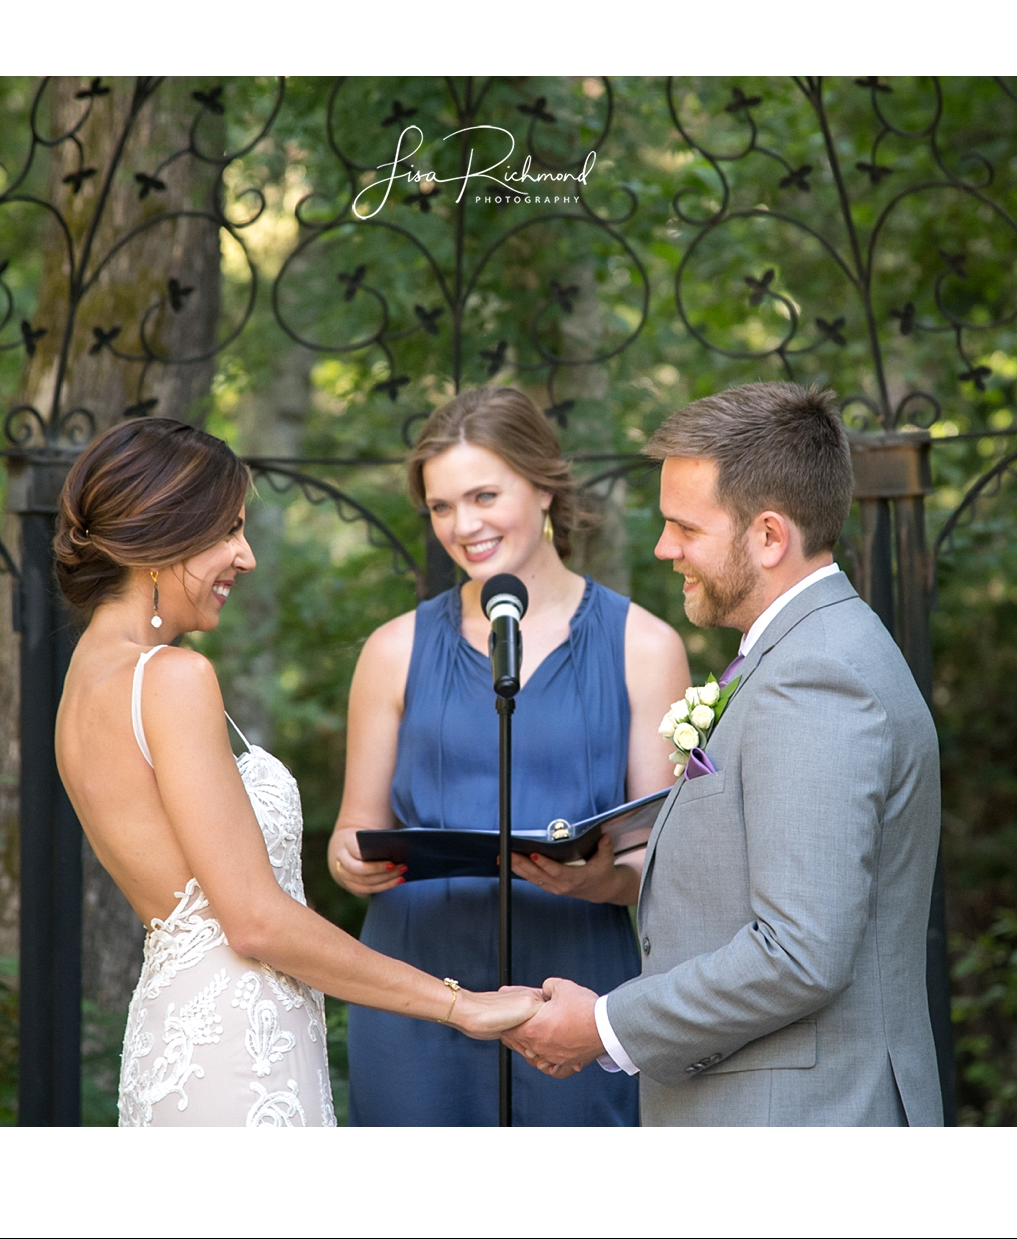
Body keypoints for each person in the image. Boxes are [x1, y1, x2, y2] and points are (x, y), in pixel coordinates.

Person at [51, 417, 541, 1127]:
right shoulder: (172, 677)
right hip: (236, 1053)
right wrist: (462, 1004)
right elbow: (255, 920)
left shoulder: (84, 681)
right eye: (226, 530)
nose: (244, 556)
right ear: (159, 537)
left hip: (187, 1033)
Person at [502, 381, 945, 1127]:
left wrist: (606, 1024)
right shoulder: (800, 651)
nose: (663, 547)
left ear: (769, 536)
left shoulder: (817, 675)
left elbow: (799, 952)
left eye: (684, 526)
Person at [327, 386, 691, 1125]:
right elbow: (346, 836)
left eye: (485, 494)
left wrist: (597, 878)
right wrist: (351, 862)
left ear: (546, 485)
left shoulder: (646, 647)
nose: (463, 525)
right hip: (418, 991)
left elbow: (665, 869)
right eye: (441, 506)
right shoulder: (392, 649)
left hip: (578, 993)